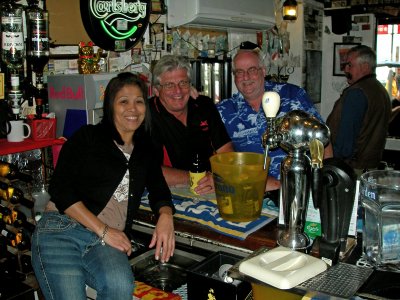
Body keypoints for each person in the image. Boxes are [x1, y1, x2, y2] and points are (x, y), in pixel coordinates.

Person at [31, 73, 175, 300]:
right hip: (63, 230)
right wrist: (104, 231)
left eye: (139, 101)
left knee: (120, 286)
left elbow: (159, 189)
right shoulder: (88, 136)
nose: (133, 108)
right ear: (110, 107)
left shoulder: (146, 148)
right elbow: (60, 188)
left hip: (104, 242)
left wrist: (166, 216)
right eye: (123, 101)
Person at [217, 47, 333, 191]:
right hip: (252, 190)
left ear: (263, 71)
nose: (246, 77)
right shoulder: (224, 110)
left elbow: (322, 139)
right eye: (239, 72)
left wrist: (326, 178)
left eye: (252, 70)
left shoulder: (292, 96)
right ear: (234, 76)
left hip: (300, 187)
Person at [150, 55, 234, 195]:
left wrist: (219, 177)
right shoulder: (146, 116)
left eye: (183, 83)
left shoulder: (204, 105)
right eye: (169, 85)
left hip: (213, 184)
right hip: (169, 191)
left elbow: (226, 150)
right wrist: (199, 179)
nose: (178, 91)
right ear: (156, 91)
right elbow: (150, 169)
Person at [326, 45, 391, 175]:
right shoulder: (380, 89)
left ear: (365, 67)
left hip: (352, 168)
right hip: (370, 167)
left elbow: (344, 143)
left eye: (350, 65)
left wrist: (330, 165)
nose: (346, 70)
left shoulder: (356, 93)